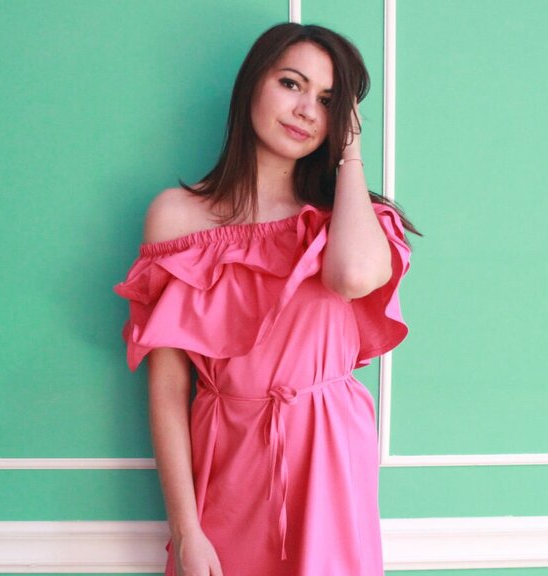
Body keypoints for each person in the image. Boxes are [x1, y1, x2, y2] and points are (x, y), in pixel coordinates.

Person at [115, 22, 420, 576]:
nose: (306, 110)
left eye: (328, 101)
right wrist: (186, 531)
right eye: (291, 84)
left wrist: (350, 156)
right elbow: (168, 387)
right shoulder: (176, 218)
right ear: (253, 83)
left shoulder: (348, 220)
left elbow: (353, 276)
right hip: (227, 465)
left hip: (330, 461)